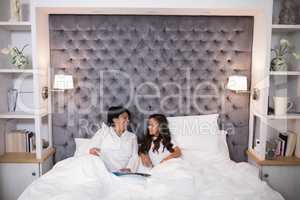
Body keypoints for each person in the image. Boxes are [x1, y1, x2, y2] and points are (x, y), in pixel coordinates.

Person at [88, 106, 139, 173]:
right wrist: (93, 151)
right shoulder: (103, 132)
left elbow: (134, 156)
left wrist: (129, 168)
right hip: (103, 170)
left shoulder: (132, 137)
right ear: (115, 119)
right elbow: (91, 150)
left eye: (128, 118)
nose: (128, 120)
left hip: (124, 172)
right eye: (124, 118)